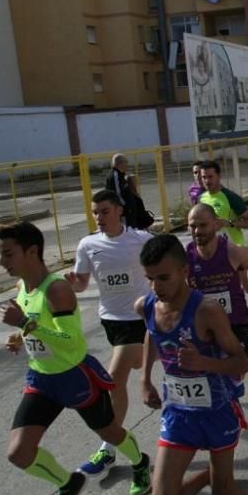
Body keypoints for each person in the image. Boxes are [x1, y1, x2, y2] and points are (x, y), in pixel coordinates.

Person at [0, 221, 151, 495]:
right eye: (0, 255)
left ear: (32, 252)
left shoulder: (57, 289)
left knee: (110, 433)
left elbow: (71, 343)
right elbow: (35, 329)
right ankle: (68, 484)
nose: (2, 263)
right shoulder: (21, 288)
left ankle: (140, 462)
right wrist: (18, 338)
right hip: (41, 380)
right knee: (18, 453)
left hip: (74, 378)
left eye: (8, 254)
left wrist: (25, 325)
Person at [137, 235, 248, 495]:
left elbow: (240, 363)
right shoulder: (147, 305)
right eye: (150, 279)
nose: (156, 286)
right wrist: (145, 378)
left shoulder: (206, 311)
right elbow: (151, 334)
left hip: (217, 411)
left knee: (223, 491)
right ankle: (210, 475)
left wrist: (203, 362)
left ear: (184, 271)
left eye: (163, 277)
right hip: (178, 415)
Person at [66, 190, 154, 478]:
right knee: (125, 376)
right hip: (111, 322)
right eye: (95, 212)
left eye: (104, 211)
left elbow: (163, 270)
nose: (99, 217)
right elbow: (81, 285)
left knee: (114, 380)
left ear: (119, 210)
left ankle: (107, 448)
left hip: (139, 318)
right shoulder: (88, 244)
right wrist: (73, 282)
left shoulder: (142, 240)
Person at [186, 203, 248, 358]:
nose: (197, 231)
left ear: (216, 224)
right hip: (205, 324)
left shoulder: (232, 251)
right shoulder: (186, 258)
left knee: (238, 368)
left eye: (203, 225)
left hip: (235, 322)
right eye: (193, 226)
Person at [198, 160, 248, 248]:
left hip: (235, 249)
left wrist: (229, 223)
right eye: (204, 177)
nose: (207, 181)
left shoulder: (231, 197)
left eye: (210, 177)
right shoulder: (201, 198)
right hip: (213, 251)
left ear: (219, 176)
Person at [106, 153, 153, 230]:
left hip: (130, 210)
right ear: (120, 163)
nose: (127, 164)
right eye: (126, 162)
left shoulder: (121, 174)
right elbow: (117, 193)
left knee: (133, 228)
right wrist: (125, 207)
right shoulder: (115, 175)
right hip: (124, 211)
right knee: (127, 229)